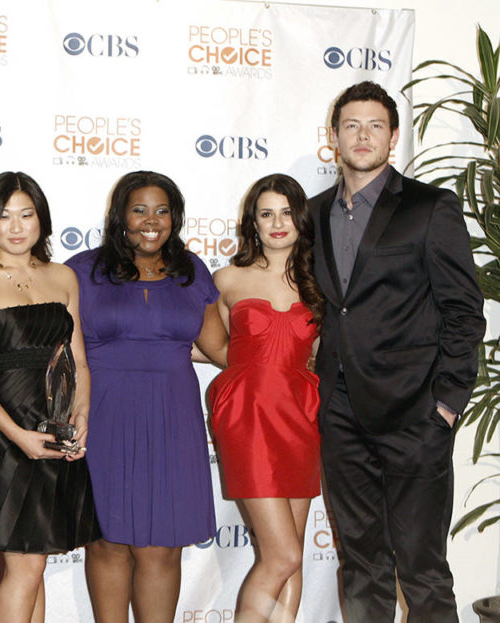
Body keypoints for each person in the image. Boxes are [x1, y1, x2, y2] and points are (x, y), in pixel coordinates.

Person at [311, 81, 485, 623]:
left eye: (375, 126)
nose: (363, 136)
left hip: (416, 414)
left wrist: (447, 402)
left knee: (422, 567)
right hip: (339, 413)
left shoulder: (430, 207)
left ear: (393, 136)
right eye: (351, 126)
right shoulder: (312, 214)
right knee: (360, 563)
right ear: (333, 137)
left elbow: (463, 309)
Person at [65, 171, 226, 623]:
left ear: (174, 217)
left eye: (162, 210)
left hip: (173, 420)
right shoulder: (82, 271)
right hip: (104, 415)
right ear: (120, 216)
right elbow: (43, 335)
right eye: (139, 209)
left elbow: (222, 349)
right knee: (108, 542)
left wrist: (290, 351)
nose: (151, 221)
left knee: (161, 548)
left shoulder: (192, 272)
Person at [0, 171, 99, 623]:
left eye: (26, 215)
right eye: (4, 216)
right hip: (2, 435)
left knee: (35, 561)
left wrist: (82, 412)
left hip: (53, 431)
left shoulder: (63, 277)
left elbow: (79, 362)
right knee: (26, 563)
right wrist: (17, 435)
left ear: (42, 219)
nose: (16, 227)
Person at [207, 174, 323, 623]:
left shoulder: (320, 285)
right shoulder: (227, 279)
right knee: (281, 555)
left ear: (301, 219)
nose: (278, 223)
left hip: (301, 416)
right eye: (266, 213)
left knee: (293, 555)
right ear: (252, 223)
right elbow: (205, 344)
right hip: (248, 417)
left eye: (287, 212)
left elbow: (319, 353)